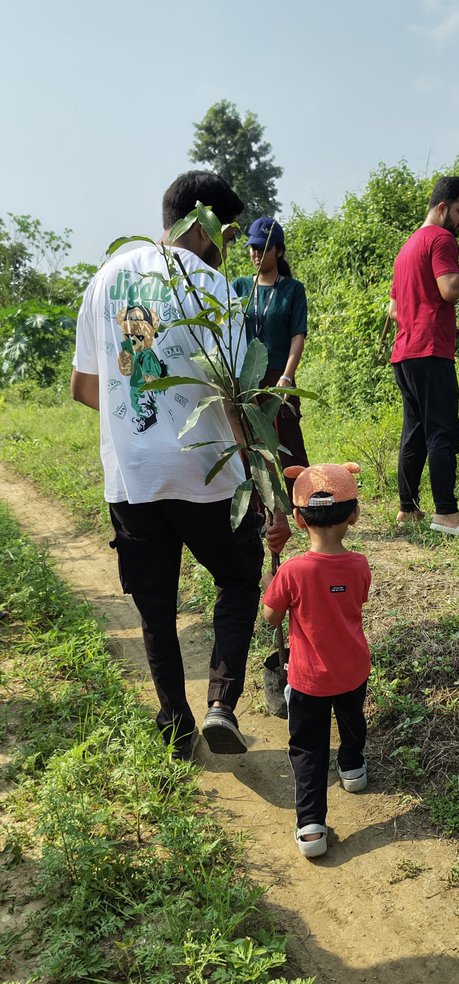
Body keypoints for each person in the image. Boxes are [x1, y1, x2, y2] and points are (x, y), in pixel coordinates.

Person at [71, 170, 290, 760]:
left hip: (134, 478)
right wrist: (268, 486)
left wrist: (138, 417)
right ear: (205, 223)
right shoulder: (216, 289)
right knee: (239, 578)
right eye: (227, 231)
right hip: (208, 474)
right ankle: (221, 702)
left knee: (155, 604)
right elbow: (239, 399)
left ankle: (174, 721)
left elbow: (85, 387)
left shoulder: (108, 278)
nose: (227, 245)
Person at [262, 463, 370, 859]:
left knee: (307, 747)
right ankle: (353, 768)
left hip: (308, 679)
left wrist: (269, 589)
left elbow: (271, 616)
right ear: (354, 515)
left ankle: (311, 825)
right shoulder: (359, 565)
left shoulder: (291, 571)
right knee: (352, 718)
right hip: (353, 668)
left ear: (297, 518)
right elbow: (355, 601)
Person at [388, 175, 459, 536]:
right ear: (442, 208)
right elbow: (450, 289)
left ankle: (407, 510)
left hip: (405, 353)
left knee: (415, 431)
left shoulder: (407, 247)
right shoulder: (440, 239)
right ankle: (447, 515)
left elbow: (394, 309)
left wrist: (439, 322)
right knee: (443, 431)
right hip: (429, 352)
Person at [232, 217, 309, 491]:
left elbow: (297, 337)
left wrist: (287, 378)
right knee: (251, 447)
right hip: (246, 379)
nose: (256, 254)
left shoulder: (292, 289)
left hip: (278, 376)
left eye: (263, 248)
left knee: (289, 445)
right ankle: (259, 512)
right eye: (252, 248)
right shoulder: (240, 288)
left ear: (278, 250)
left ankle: (303, 505)